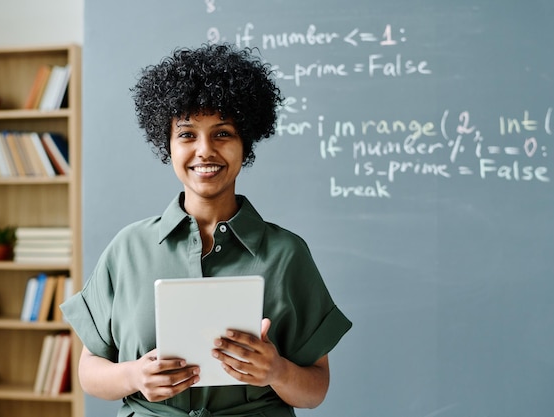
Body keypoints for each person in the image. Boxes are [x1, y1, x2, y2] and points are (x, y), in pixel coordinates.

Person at [61, 43, 352, 417]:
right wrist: (135, 376)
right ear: (166, 144)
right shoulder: (128, 248)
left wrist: (276, 371)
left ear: (245, 144)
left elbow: (315, 390)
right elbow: (90, 372)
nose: (204, 151)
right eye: (186, 134)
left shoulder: (287, 253)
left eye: (223, 133)